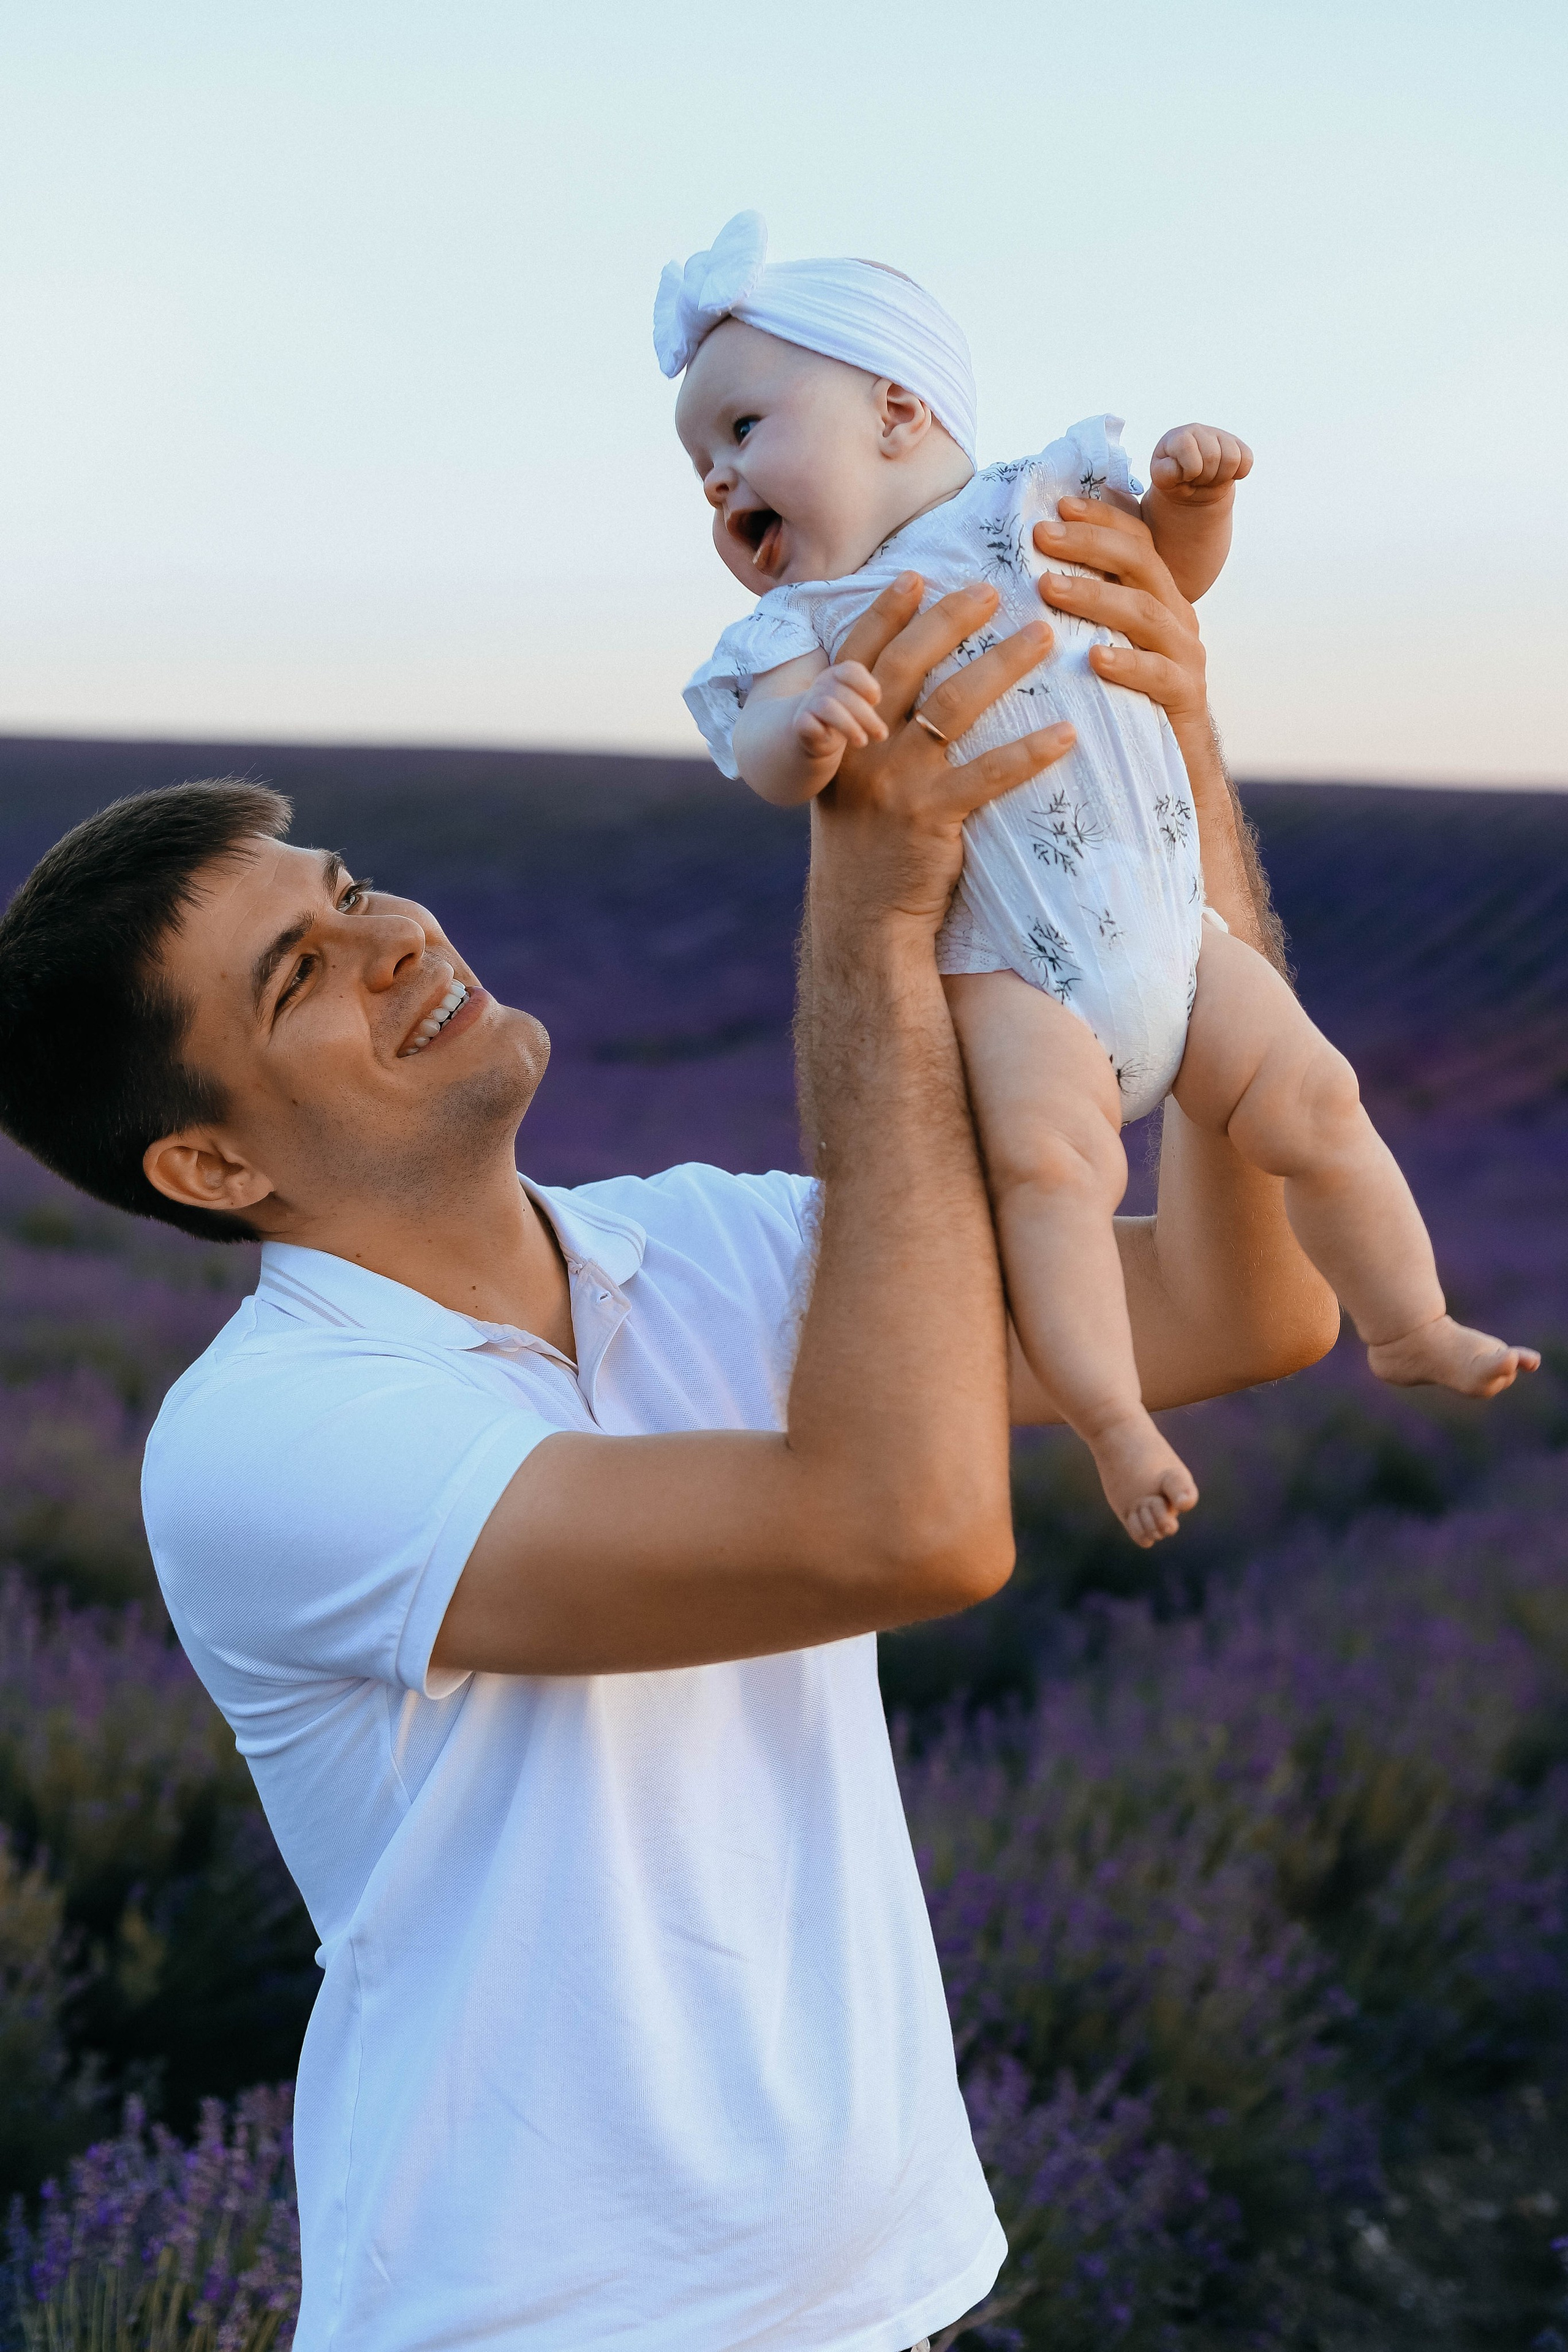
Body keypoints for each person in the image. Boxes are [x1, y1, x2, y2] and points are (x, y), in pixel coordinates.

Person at [0, 560, 1334, 2352]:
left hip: (896, 2294)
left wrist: (1164, 794)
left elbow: (1261, 1305)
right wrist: (869, 921)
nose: (398, 933)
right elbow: (903, 1531)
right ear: (215, 1171)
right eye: (302, 973)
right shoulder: (268, 1443)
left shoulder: (706, 1250)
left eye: (351, 887)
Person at [660, 211, 1537, 1549]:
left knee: (1314, 1096)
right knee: (1051, 1182)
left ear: (896, 410)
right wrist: (813, 724)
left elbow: (1165, 592)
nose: (717, 484)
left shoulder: (1038, 502)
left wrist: (1193, 505)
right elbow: (766, 749)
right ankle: (1115, 1421)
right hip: (1015, 972)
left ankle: (1409, 1325)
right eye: (699, 469)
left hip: (1172, 929)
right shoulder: (806, 626)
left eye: (740, 432)